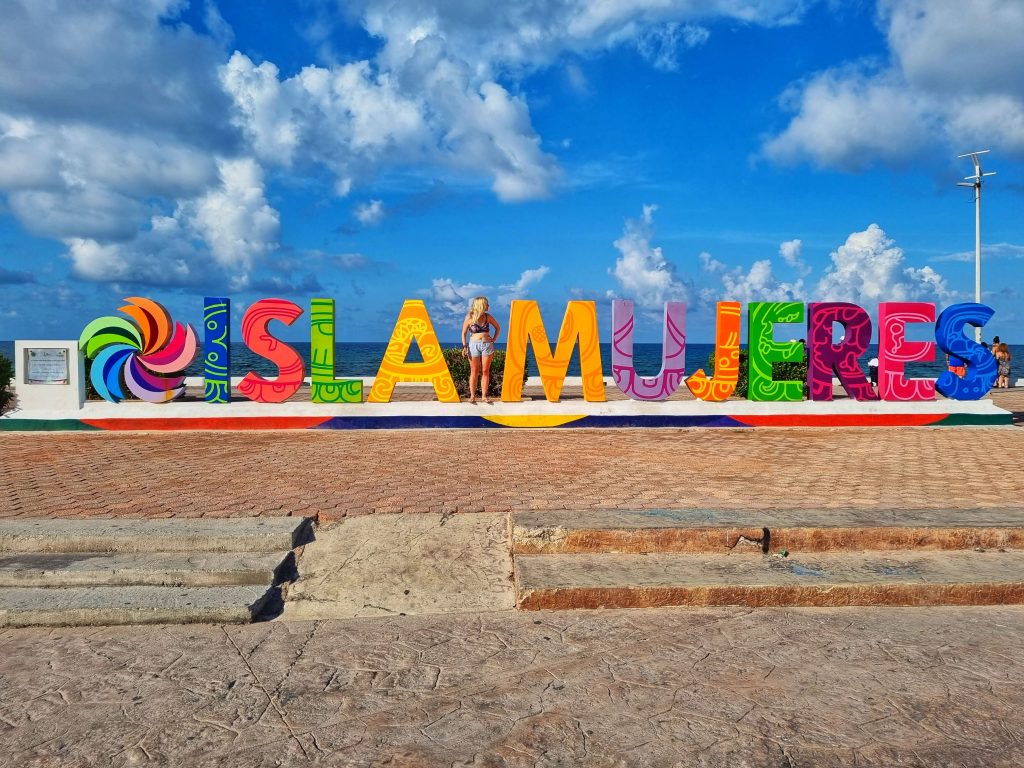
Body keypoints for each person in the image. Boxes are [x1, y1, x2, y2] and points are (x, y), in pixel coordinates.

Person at [461, 296, 501, 404]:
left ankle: (484, 396)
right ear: (481, 305)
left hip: (487, 345)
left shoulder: (488, 317)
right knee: (474, 371)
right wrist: (464, 347)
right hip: (473, 345)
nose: (488, 306)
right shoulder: (470, 317)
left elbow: (498, 327)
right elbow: (464, 333)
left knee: (485, 371)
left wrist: (494, 339)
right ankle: (472, 396)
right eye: (487, 304)